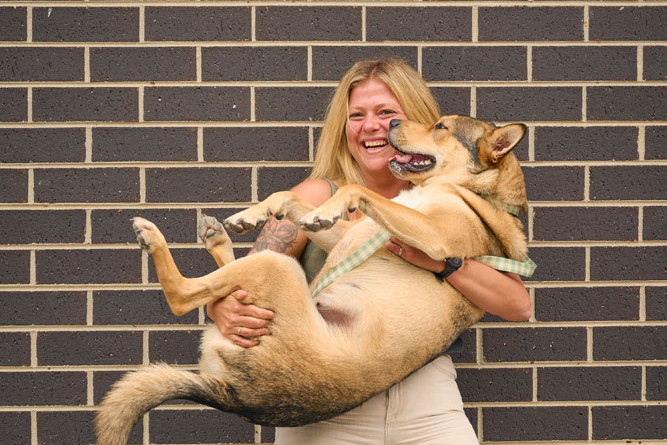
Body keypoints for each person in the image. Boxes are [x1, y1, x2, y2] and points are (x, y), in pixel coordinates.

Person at [207, 58, 531, 444]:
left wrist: (443, 262)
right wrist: (220, 308)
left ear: (414, 123)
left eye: (387, 113)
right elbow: (248, 280)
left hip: (426, 399)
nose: (372, 126)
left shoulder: (458, 209)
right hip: (327, 400)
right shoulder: (316, 196)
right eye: (356, 115)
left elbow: (518, 305)